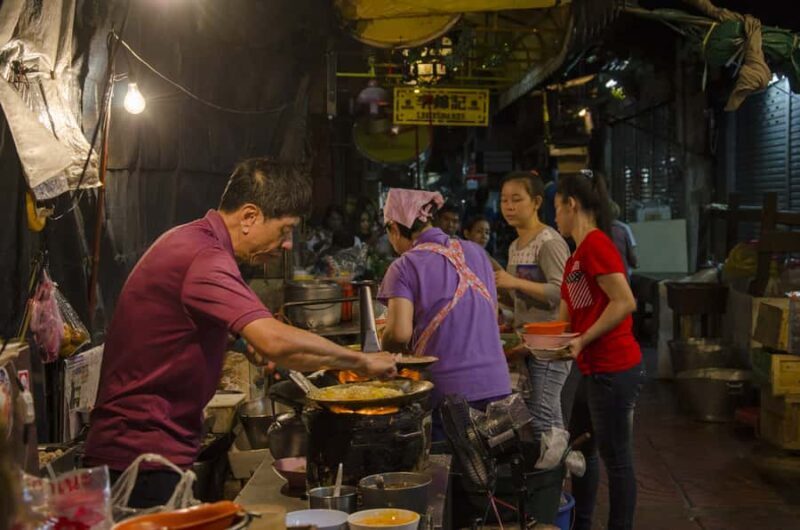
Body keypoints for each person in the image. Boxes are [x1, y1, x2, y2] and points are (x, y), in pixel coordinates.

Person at [85, 159, 397, 509]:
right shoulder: (204, 256)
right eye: (284, 230)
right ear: (249, 217)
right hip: (139, 457)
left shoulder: (193, 241)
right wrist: (362, 361)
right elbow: (275, 341)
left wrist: (236, 339)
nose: (287, 245)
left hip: (147, 449)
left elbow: (186, 326)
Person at [377, 188, 511, 440]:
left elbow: (399, 333)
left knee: (451, 473)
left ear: (394, 228)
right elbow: (491, 315)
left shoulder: (404, 265)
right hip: (497, 384)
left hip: (448, 394)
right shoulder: (477, 252)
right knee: (493, 471)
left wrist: (384, 342)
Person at [555, 170, 644, 530]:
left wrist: (582, 338)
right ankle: (582, 522)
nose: (555, 217)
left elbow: (624, 302)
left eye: (556, 208)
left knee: (616, 459)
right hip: (589, 367)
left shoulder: (597, 244)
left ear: (571, 205)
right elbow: (565, 319)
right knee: (581, 450)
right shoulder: (576, 255)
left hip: (613, 366)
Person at [493, 171, 571, 441]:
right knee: (550, 418)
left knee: (541, 419)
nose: (509, 207)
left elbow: (561, 292)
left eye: (517, 199)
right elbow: (522, 297)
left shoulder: (548, 242)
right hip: (529, 341)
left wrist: (513, 281)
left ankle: (551, 478)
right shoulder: (516, 245)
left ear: (536, 202)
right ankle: (560, 474)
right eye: (504, 200)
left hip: (550, 342)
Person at [609, 200, 638, 279]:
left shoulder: (597, 229)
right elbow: (631, 253)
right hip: (622, 273)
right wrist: (634, 263)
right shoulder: (623, 228)